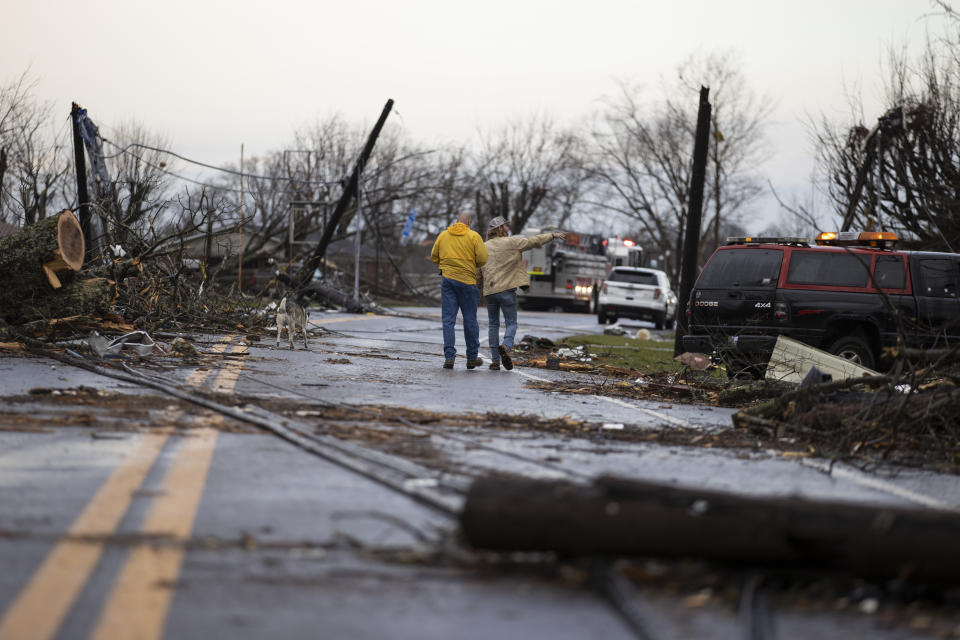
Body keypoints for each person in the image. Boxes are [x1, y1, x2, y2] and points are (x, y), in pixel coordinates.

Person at [481, 217, 564, 370]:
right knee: (511, 323)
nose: (507, 227)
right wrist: (552, 236)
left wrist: (480, 286)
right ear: (500, 228)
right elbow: (533, 241)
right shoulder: (512, 242)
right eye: (505, 225)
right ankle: (506, 346)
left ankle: (494, 361)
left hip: (490, 291)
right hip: (507, 290)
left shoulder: (484, 246)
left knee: (493, 324)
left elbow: (478, 268)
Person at [430, 212, 489, 369]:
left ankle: (449, 357)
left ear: (457, 221)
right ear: (469, 222)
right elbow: (483, 259)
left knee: (448, 320)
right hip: (468, 283)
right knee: (470, 320)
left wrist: (446, 265)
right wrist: (470, 265)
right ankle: (471, 358)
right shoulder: (474, 236)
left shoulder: (443, 235)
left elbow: (434, 256)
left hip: (448, 281)